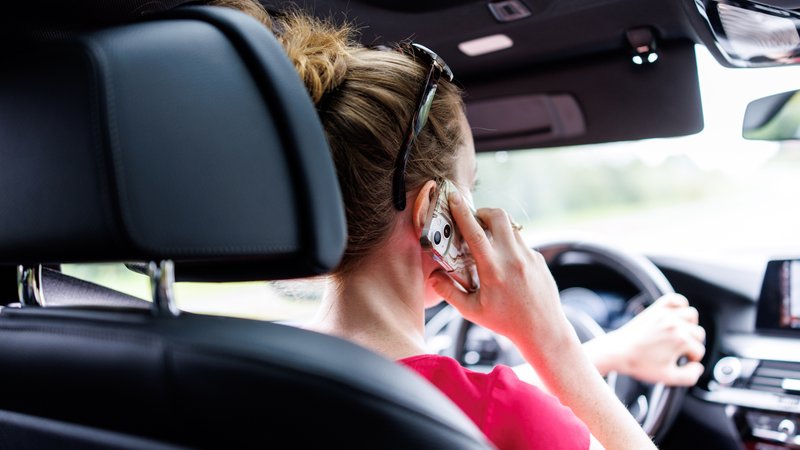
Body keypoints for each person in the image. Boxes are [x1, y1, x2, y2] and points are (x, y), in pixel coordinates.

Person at [212, 2, 705, 448]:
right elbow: (466, 408)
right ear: (433, 210)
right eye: (468, 187)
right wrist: (552, 338)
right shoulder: (504, 413)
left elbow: (413, 400)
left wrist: (610, 351)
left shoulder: (247, 369)